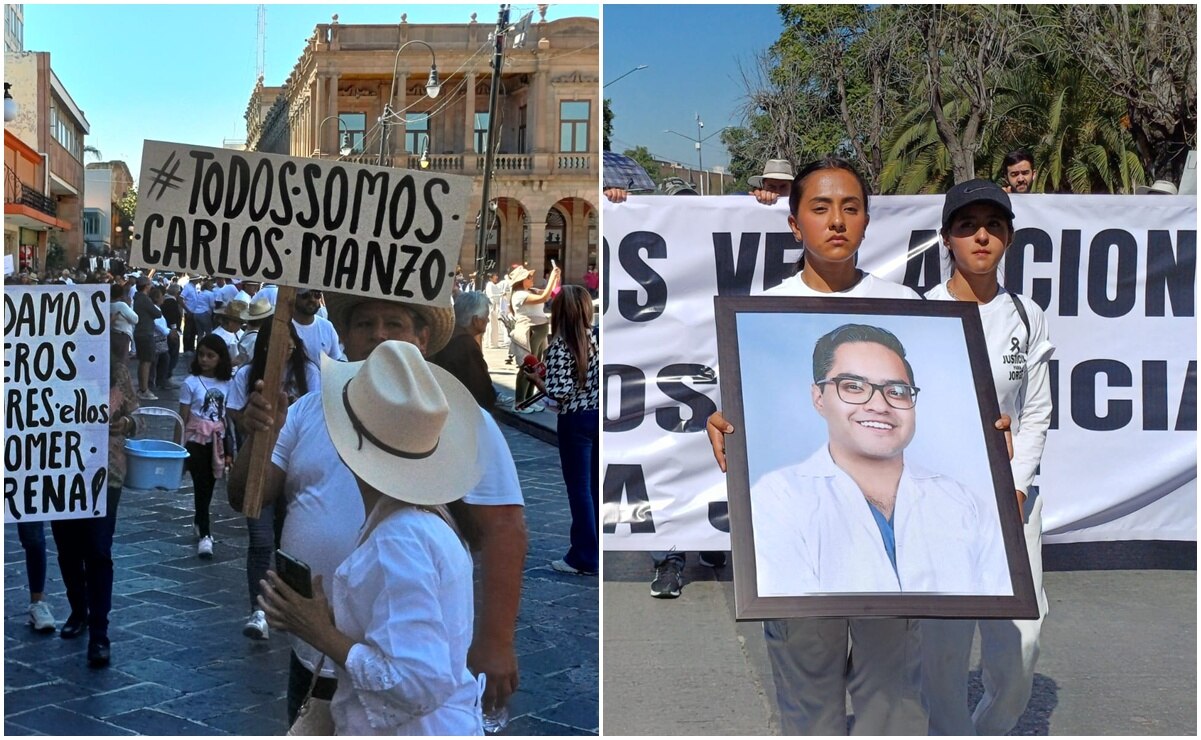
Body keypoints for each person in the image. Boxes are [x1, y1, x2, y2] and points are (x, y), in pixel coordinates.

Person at [705, 157, 928, 735]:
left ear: (867, 222)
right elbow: (736, 410)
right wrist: (720, 423)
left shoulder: (906, 305)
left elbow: (940, 416)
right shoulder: (759, 314)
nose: (836, 221)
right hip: (798, 550)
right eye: (821, 207)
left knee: (892, 703)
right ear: (794, 223)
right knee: (808, 706)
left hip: (896, 559)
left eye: (851, 208)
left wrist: (986, 430)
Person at [228, 291, 527, 725]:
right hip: (316, 660)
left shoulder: (456, 426)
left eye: (394, 324)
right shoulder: (309, 409)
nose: (378, 336)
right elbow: (248, 497)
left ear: (422, 338)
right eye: (365, 324)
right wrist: (262, 433)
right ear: (344, 337)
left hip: (382, 670)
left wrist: (496, 641)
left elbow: (504, 528)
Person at [258, 340, 485, 734]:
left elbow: (416, 683)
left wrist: (321, 633)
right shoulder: (423, 519)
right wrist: (332, 620)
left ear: (345, 446)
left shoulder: (400, 539)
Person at [921, 178, 1055, 735]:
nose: (981, 236)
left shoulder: (1026, 314)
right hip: (937, 502)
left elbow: (1036, 412)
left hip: (1012, 501)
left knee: (1020, 644)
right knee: (943, 649)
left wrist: (1016, 486)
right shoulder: (919, 313)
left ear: (1009, 238)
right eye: (967, 226)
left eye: (993, 226)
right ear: (946, 238)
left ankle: (992, 727)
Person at [752, 323, 1010, 596]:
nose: (879, 405)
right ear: (819, 399)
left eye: (896, 391)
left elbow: (998, 601)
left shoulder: (965, 505)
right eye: (853, 387)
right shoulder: (778, 499)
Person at [52, 326, 142, 667]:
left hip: (106, 471)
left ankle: (99, 631)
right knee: (67, 547)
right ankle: (79, 609)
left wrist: (127, 424)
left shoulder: (115, 371)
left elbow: (138, 416)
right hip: (59, 468)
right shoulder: (50, 369)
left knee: (98, 549)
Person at [227, 318, 311, 641]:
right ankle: (259, 609)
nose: (285, 346)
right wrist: (254, 420)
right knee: (260, 539)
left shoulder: (310, 374)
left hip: (296, 467)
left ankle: (292, 610)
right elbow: (234, 412)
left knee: (289, 542)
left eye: (290, 340)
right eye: (277, 340)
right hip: (260, 461)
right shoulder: (247, 375)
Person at [521, 286, 600, 576]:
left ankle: (583, 555)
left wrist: (537, 380)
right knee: (593, 487)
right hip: (598, 416)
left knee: (578, 489)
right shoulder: (597, 339)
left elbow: (560, 393)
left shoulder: (559, 345)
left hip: (574, 421)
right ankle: (595, 548)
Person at [181, 334, 234, 560]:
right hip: (196, 440)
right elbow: (182, 418)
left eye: (210, 355)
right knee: (201, 483)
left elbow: (228, 416)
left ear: (220, 358)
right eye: (201, 354)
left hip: (217, 440)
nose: (204, 359)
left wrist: (230, 447)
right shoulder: (190, 383)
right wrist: (177, 449)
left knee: (209, 485)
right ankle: (205, 534)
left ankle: (198, 519)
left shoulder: (228, 384)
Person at [430, 291, 497, 411]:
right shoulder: (465, 344)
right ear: (476, 320)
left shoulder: (447, 334)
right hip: (459, 409)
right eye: (486, 316)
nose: (487, 320)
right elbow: (482, 391)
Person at [508, 265, 561, 412]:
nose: (532, 278)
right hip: (530, 331)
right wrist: (552, 277)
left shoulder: (529, 291)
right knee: (527, 366)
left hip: (537, 332)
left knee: (536, 366)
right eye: (529, 277)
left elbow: (551, 293)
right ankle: (519, 402)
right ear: (521, 280)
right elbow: (544, 297)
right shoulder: (519, 295)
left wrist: (555, 278)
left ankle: (528, 399)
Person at [292, 288, 344, 374]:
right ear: (295, 296)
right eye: (306, 295)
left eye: (317, 295)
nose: (312, 299)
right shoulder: (284, 326)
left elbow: (335, 363)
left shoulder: (327, 327)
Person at [132, 275, 161, 400]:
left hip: (140, 332)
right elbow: (157, 313)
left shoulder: (138, 298)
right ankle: (144, 389)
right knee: (146, 362)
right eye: (149, 284)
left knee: (143, 361)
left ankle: (142, 388)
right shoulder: (144, 299)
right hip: (145, 333)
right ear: (146, 286)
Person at [211, 300, 246, 365]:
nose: (241, 326)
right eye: (240, 323)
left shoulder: (240, 332)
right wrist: (231, 363)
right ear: (230, 322)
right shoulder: (216, 337)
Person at [483, 273, 507, 350]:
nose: (496, 277)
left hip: (493, 306)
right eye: (495, 276)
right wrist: (501, 295)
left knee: (491, 325)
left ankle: (489, 342)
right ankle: (492, 343)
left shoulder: (492, 285)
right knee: (493, 325)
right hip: (492, 306)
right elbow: (492, 296)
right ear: (491, 278)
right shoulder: (490, 285)